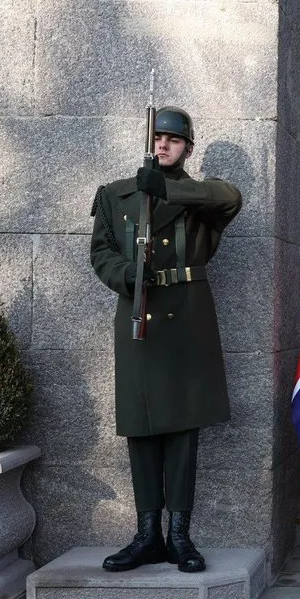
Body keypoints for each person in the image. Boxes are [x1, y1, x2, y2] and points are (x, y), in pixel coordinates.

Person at [89, 106, 242, 573]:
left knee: (182, 428)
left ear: (187, 148)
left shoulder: (201, 196)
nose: (163, 146)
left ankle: (180, 535)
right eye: (157, 138)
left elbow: (229, 197)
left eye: (173, 140)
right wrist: (126, 276)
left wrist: (168, 189)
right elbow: (101, 252)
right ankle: (146, 534)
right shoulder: (116, 195)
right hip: (139, 314)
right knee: (141, 424)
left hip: (187, 317)